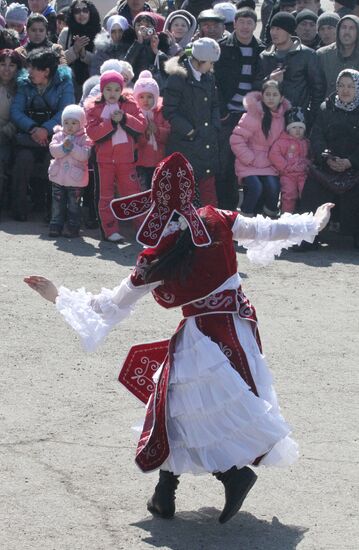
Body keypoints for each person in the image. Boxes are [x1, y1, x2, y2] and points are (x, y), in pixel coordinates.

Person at [24, 151, 334, 523]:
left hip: (203, 338)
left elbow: (111, 305)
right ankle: (169, 492)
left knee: (174, 408)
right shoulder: (218, 218)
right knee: (178, 405)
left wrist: (57, 295)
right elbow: (267, 229)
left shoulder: (157, 254)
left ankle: (225, 477)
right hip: (240, 328)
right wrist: (313, 223)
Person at [10, 48, 75, 221]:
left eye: (33, 68)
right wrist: (33, 129)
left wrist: (45, 129)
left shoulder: (64, 83)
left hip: (54, 137)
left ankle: (53, 210)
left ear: (46, 71)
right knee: (23, 159)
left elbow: (65, 112)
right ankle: (19, 207)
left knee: (52, 162)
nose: (28, 72)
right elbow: (16, 111)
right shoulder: (24, 83)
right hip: (29, 136)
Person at [300, 69, 359, 249]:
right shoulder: (327, 108)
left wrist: (350, 161)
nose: (345, 90)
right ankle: (309, 238)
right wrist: (327, 158)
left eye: (350, 86)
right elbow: (316, 136)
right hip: (328, 164)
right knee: (312, 187)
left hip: (355, 166)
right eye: (341, 85)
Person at [84, 70, 146, 242]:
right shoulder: (94, 108)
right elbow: (93, 133)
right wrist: (111, 122)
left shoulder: (129, 104)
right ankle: (110, 229)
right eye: (108, 89)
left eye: (116, 89)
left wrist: (125, 118)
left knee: (133, 193)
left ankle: (142, 227)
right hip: (104, 161)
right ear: (102, 90)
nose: (112, 93)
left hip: (126, 159)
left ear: (121, 90)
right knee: (105, 195)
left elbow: (141, 125)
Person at [214, 7, 265, 210]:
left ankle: (254, 210)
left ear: (255, 25)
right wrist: (223, 112)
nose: (245, 26)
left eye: (250, 23)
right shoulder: (221, 48)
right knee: (225, 164)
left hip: (252, 116)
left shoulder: (262, 49)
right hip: (228, 114)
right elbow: (214, 82)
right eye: (241, 22)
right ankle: (226, 208)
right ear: (234, 24)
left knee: (254, 162)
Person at [163, 37, 221, 208]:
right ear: (199, 61)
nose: (212, 67)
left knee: (208, 185)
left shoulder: (208, 77)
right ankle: (184, 225)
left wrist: (214, 126)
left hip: (207, 140)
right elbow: (170, 111)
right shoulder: (178, 78)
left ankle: (211, 222)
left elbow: (214, 104)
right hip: (185, 142)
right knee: (185, 185)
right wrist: (189, 131)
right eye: (210, 62)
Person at [230, 80, 290, 217]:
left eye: (275, 95)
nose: (271, 98)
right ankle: (245, 218)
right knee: (256, 187)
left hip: (270, 162)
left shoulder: (282, 117)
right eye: (267, 94)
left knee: (274, 187)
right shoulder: (253, 114)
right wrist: (249, 157)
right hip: (249, 162)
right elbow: (236, 139)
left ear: (281, 98)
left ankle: (268, 218)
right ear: (262, 96)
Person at [255, 11, 325, 126]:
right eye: (272, 28)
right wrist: (269, 80)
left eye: (278, 29)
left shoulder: (307, 55)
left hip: (298, 120)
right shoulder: (265, 56)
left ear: (289, 31)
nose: (274, 33)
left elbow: (318, 89)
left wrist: (310, 116)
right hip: (271, 119)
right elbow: (255, 87)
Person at [48, 104, 92, 238]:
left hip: (75, 180)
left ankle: (73, 226)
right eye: (66, 123)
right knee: (57, 204)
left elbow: (85, 155)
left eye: (74, 123)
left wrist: (72, 148)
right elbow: (53, 150)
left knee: (74, 205)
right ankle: (56, 224)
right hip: (58, 177)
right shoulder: (58, 136)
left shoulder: (85, 138)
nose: (69, 126)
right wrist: (63, 147)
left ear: (81, 123)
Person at [133, 69, 170, 190]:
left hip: (159, 160)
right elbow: (133, 141)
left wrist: (157, 131)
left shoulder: (161, 112)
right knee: (142, 191)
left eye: (149, 96)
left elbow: (169, 134)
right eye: (142, 97)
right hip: (140, 163)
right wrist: (145, 134)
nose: (145, 100)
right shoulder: (135, 115)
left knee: (158, 190)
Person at [269, 106, 309, 213]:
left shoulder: (305, 142)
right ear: (288, 128)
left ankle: (306, 215)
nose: (297, 131)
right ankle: (286, 216)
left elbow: (310, 156)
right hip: (288, 174)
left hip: (302, 173)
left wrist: (308, 164)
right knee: (289, 194)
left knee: (306, 193)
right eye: (294, 127)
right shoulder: (282, 141)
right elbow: (274, 154)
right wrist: (285, 166)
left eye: (300, 128)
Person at [58, 0, 101, 100]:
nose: (81, 14)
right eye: (77, 11)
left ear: (91, 12)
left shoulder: (100, 32)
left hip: (93, 83)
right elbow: (58, 60)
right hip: (69, 83)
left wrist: (84, 54)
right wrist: (74, 50)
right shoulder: (66, 33)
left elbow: (99, 61)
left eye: (85, 10)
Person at [0, 48, 22, 218]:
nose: (6, 69)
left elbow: (21, 115)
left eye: (11, 65)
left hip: (12, 135)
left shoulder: (22, 88)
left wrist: (6, 131)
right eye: (2, 64)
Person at [316, 15, 359, 98]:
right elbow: (316, 88)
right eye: (343, 27)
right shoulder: (322, 55)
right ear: (338, 30)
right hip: (328, 107)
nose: (347, 32)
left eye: (351, 28)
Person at [124, 12, 169, 83]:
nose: (143, 29)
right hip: (135, 84)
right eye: (139, 25)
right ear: (134, 28)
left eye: (148, 26)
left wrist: (156, 50)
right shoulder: (129, 42)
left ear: (154, 29)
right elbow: (126, 65)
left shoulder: (161, 42)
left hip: (154, 84)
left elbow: (167, 68)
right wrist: (138, 43)